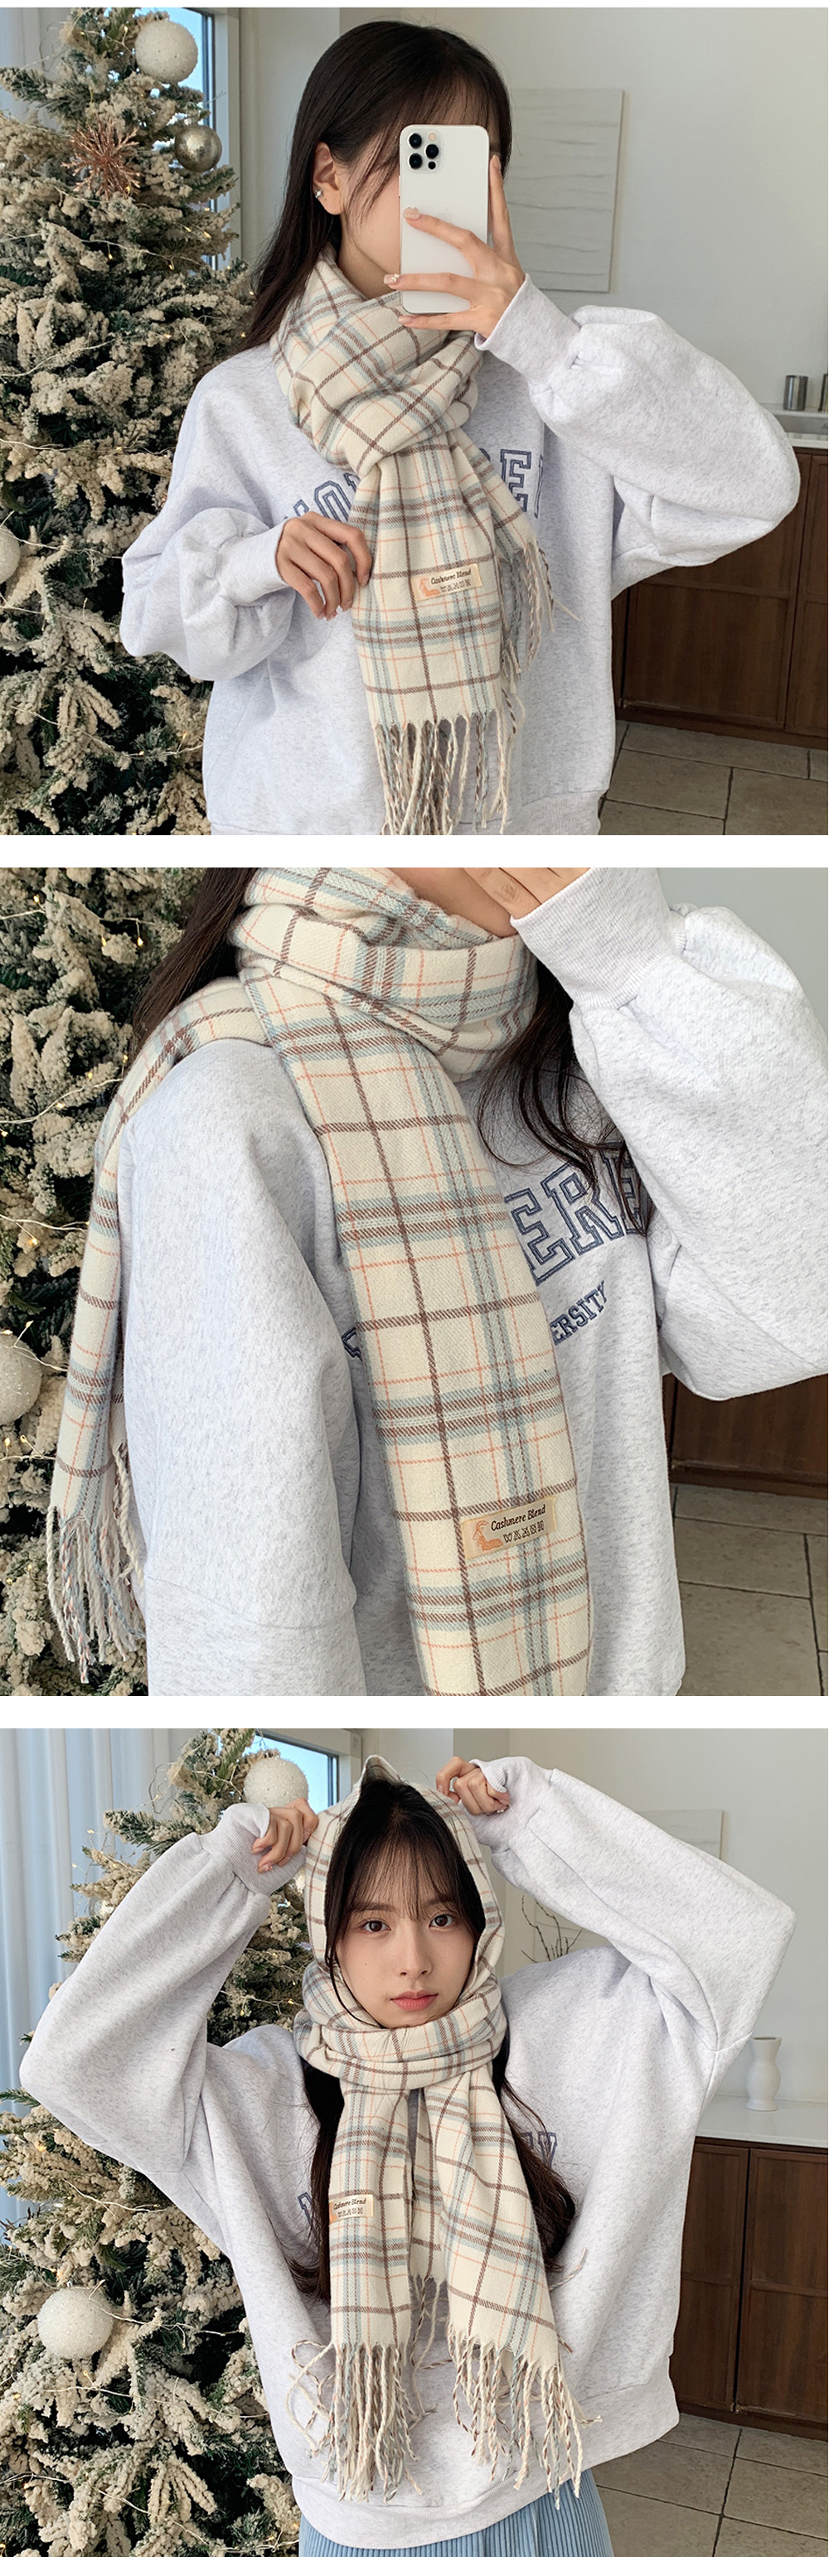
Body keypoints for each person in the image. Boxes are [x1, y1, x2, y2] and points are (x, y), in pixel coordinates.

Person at [46, 863, 827, 1700]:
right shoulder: (231, 1118)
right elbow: (252, 1625)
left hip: (627, 1688)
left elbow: (791, 1312)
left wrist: (635, 964)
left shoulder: (593, 1031)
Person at [20, 1751, 795, 2557]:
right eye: (372, 1923)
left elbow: (740, 1938)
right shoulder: (262, 2094)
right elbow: (75, 2063)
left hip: (546, 2495)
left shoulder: (569, 2032)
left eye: (441, 1916)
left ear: (478, 1919)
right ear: (329, 1935)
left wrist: (531, 1819)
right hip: (365, 2527)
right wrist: (233, 1870)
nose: (413, 1959)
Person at [118, 21, 800, 838]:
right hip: (316, 846)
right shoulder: (244, 400)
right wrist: (258, 561)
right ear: (329, 177)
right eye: (423, 156)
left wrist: (536, 336)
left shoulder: (556, 385)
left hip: (520, 844)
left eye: (479, 161)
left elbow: (754, 487)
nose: (455, 190)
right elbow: (155, 617)